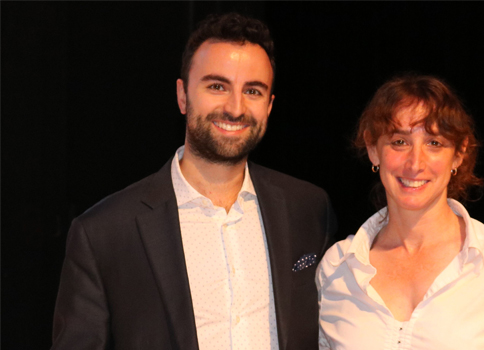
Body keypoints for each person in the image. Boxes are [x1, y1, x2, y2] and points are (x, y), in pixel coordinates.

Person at [52, 13, 336, 350]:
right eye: (217, 86)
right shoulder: (105, 232)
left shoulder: (308, 209)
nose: (235, 108)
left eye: (253, 91)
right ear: (183, 95)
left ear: (270, 106)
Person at [316, 74, 484, 349]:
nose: (415, 163)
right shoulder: (337, 269)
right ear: (373, 149)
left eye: (434, 143)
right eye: (399, 141)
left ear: (459, 154)